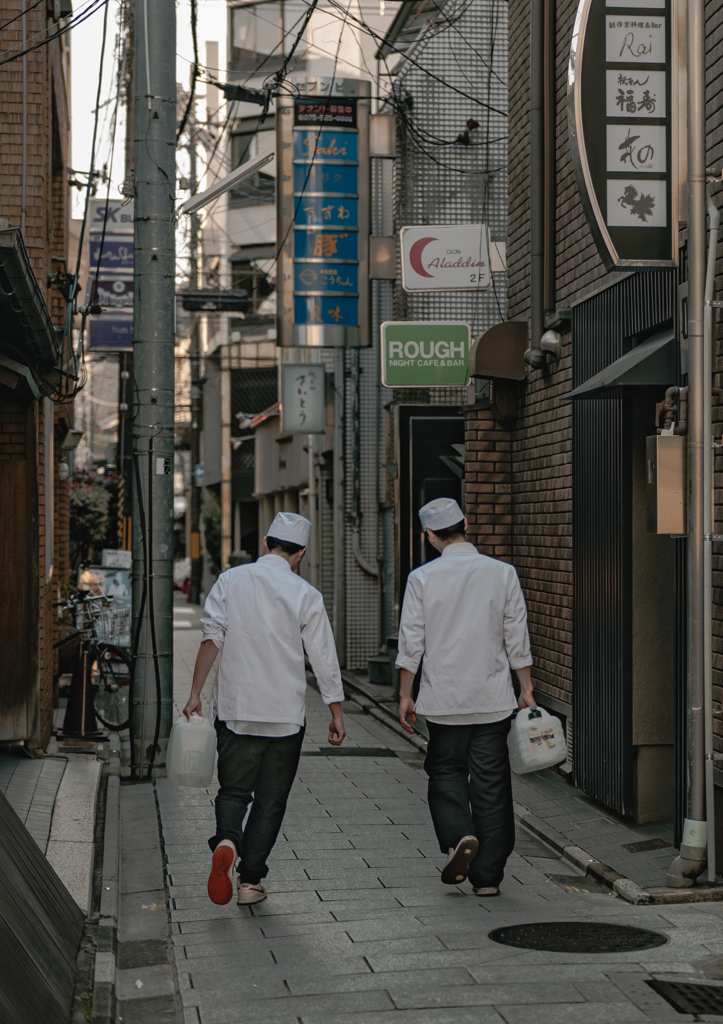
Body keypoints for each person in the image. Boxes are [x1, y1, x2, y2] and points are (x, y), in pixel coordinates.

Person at [183, 511, 346, 907]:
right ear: (301, 553)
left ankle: (226, 841)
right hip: (285, 716)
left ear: (265, 545)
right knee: (271, 801)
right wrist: (335, 711)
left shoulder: (230, 580)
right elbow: (322, 657)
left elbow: (211, 638)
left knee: (234, 790)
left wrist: (194, 694)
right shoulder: (306, 593)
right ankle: (251, 881)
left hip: (237, 711)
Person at [396, 497, 534, 897]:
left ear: (429, 536)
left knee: (445, 773)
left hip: (443, 702)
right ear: (466, 524)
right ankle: (488, 877)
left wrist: (406, 694)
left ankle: (459, 837)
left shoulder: (422, 579)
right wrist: (525, 687)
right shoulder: (502, 573)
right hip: (492, 699)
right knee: (491, 784)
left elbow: (411, 644)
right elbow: (516, 636)